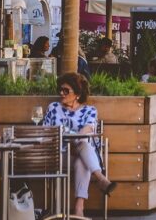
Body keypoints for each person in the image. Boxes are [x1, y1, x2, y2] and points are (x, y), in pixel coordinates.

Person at [43, 73, 117, 216]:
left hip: (81, 154)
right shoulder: (53, 108)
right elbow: (46, 131)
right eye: (60, 89)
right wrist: (73, 142)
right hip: (60, 155)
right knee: (83, 147)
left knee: (82, 155)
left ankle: (78, 207)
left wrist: (75, 141)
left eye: (66, 90)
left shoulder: (89, 110)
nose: (61, 93)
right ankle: (100, 179)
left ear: (77, 94)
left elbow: (89, 128)